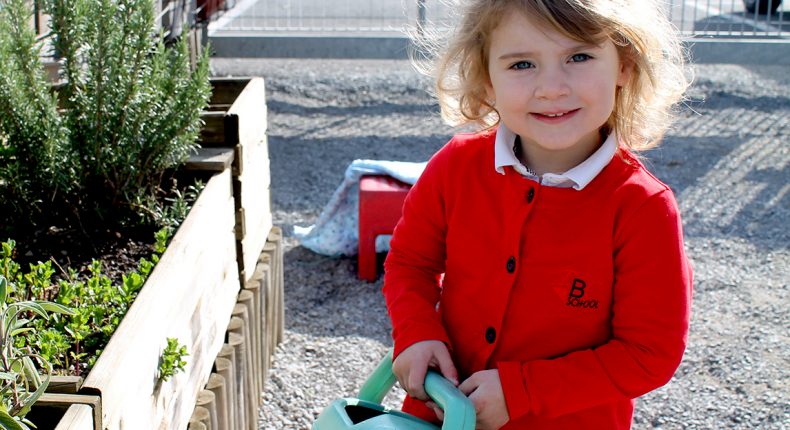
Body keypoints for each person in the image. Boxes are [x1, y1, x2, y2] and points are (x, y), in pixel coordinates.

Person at [382, 1, 694, 429]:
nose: (551, 87)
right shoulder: (455, 167)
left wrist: (522, 391)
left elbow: (648, 354)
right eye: (522, 64)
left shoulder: (643, 208)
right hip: (438, 414)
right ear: (486, 80)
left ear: (624, 64)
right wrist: (416, 332)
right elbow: (410, 263)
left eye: (578, 57)